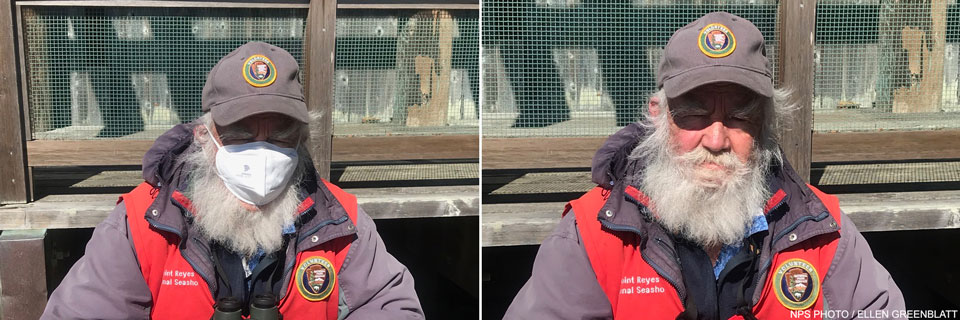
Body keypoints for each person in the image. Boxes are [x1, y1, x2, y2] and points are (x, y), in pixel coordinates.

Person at [504, 12, 905, 319]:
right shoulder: (593, 234)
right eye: (694, 115)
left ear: (765, 126)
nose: (716, 140)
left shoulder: (822, 232)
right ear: (659, 116)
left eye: (740, 117)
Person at [42, 41, 424, 319]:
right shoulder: (141, 224)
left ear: (303, 141)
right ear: (205, 138)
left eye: (281, 133)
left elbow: (390, 305)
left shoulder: (342, 220)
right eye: (240, 132)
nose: (262, 151)